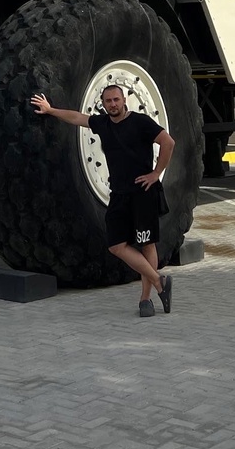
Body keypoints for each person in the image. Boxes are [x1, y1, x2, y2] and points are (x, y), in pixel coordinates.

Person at [31, 85, 176, 317]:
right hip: (118, 195)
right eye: (108, 101)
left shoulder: (140, 122)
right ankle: (159, 281)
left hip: (142, 193)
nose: (113, 104)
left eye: (116, 99)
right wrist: (51, 110)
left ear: (124, 99)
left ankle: (145, 299)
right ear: (103, 103)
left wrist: (156, 173)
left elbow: (168, 143)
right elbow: (78, 117)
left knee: (147, 244)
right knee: (116, 245)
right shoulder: (103, 124)